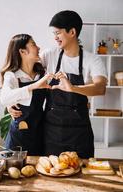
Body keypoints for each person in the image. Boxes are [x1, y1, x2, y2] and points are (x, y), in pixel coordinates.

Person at [8, 10, 107, 159]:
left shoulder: (92, 60)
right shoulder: (49, 55)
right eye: (54, 33)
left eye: (58, 33)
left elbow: (100, 88)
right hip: (51, 133)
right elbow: (20, 70)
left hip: (79, 134)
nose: (55, 38)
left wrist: (73, 88)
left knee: (80, 175)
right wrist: (10, 100)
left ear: (72, 32)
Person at [0, 34, 53, 156]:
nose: (38, 47)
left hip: (40, 132)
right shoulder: (12, 75)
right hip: (19, 135)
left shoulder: (42, 72)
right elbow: (4, 98)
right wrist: (33, 86)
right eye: (33, 44)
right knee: (14, 171)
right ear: (23, 51)